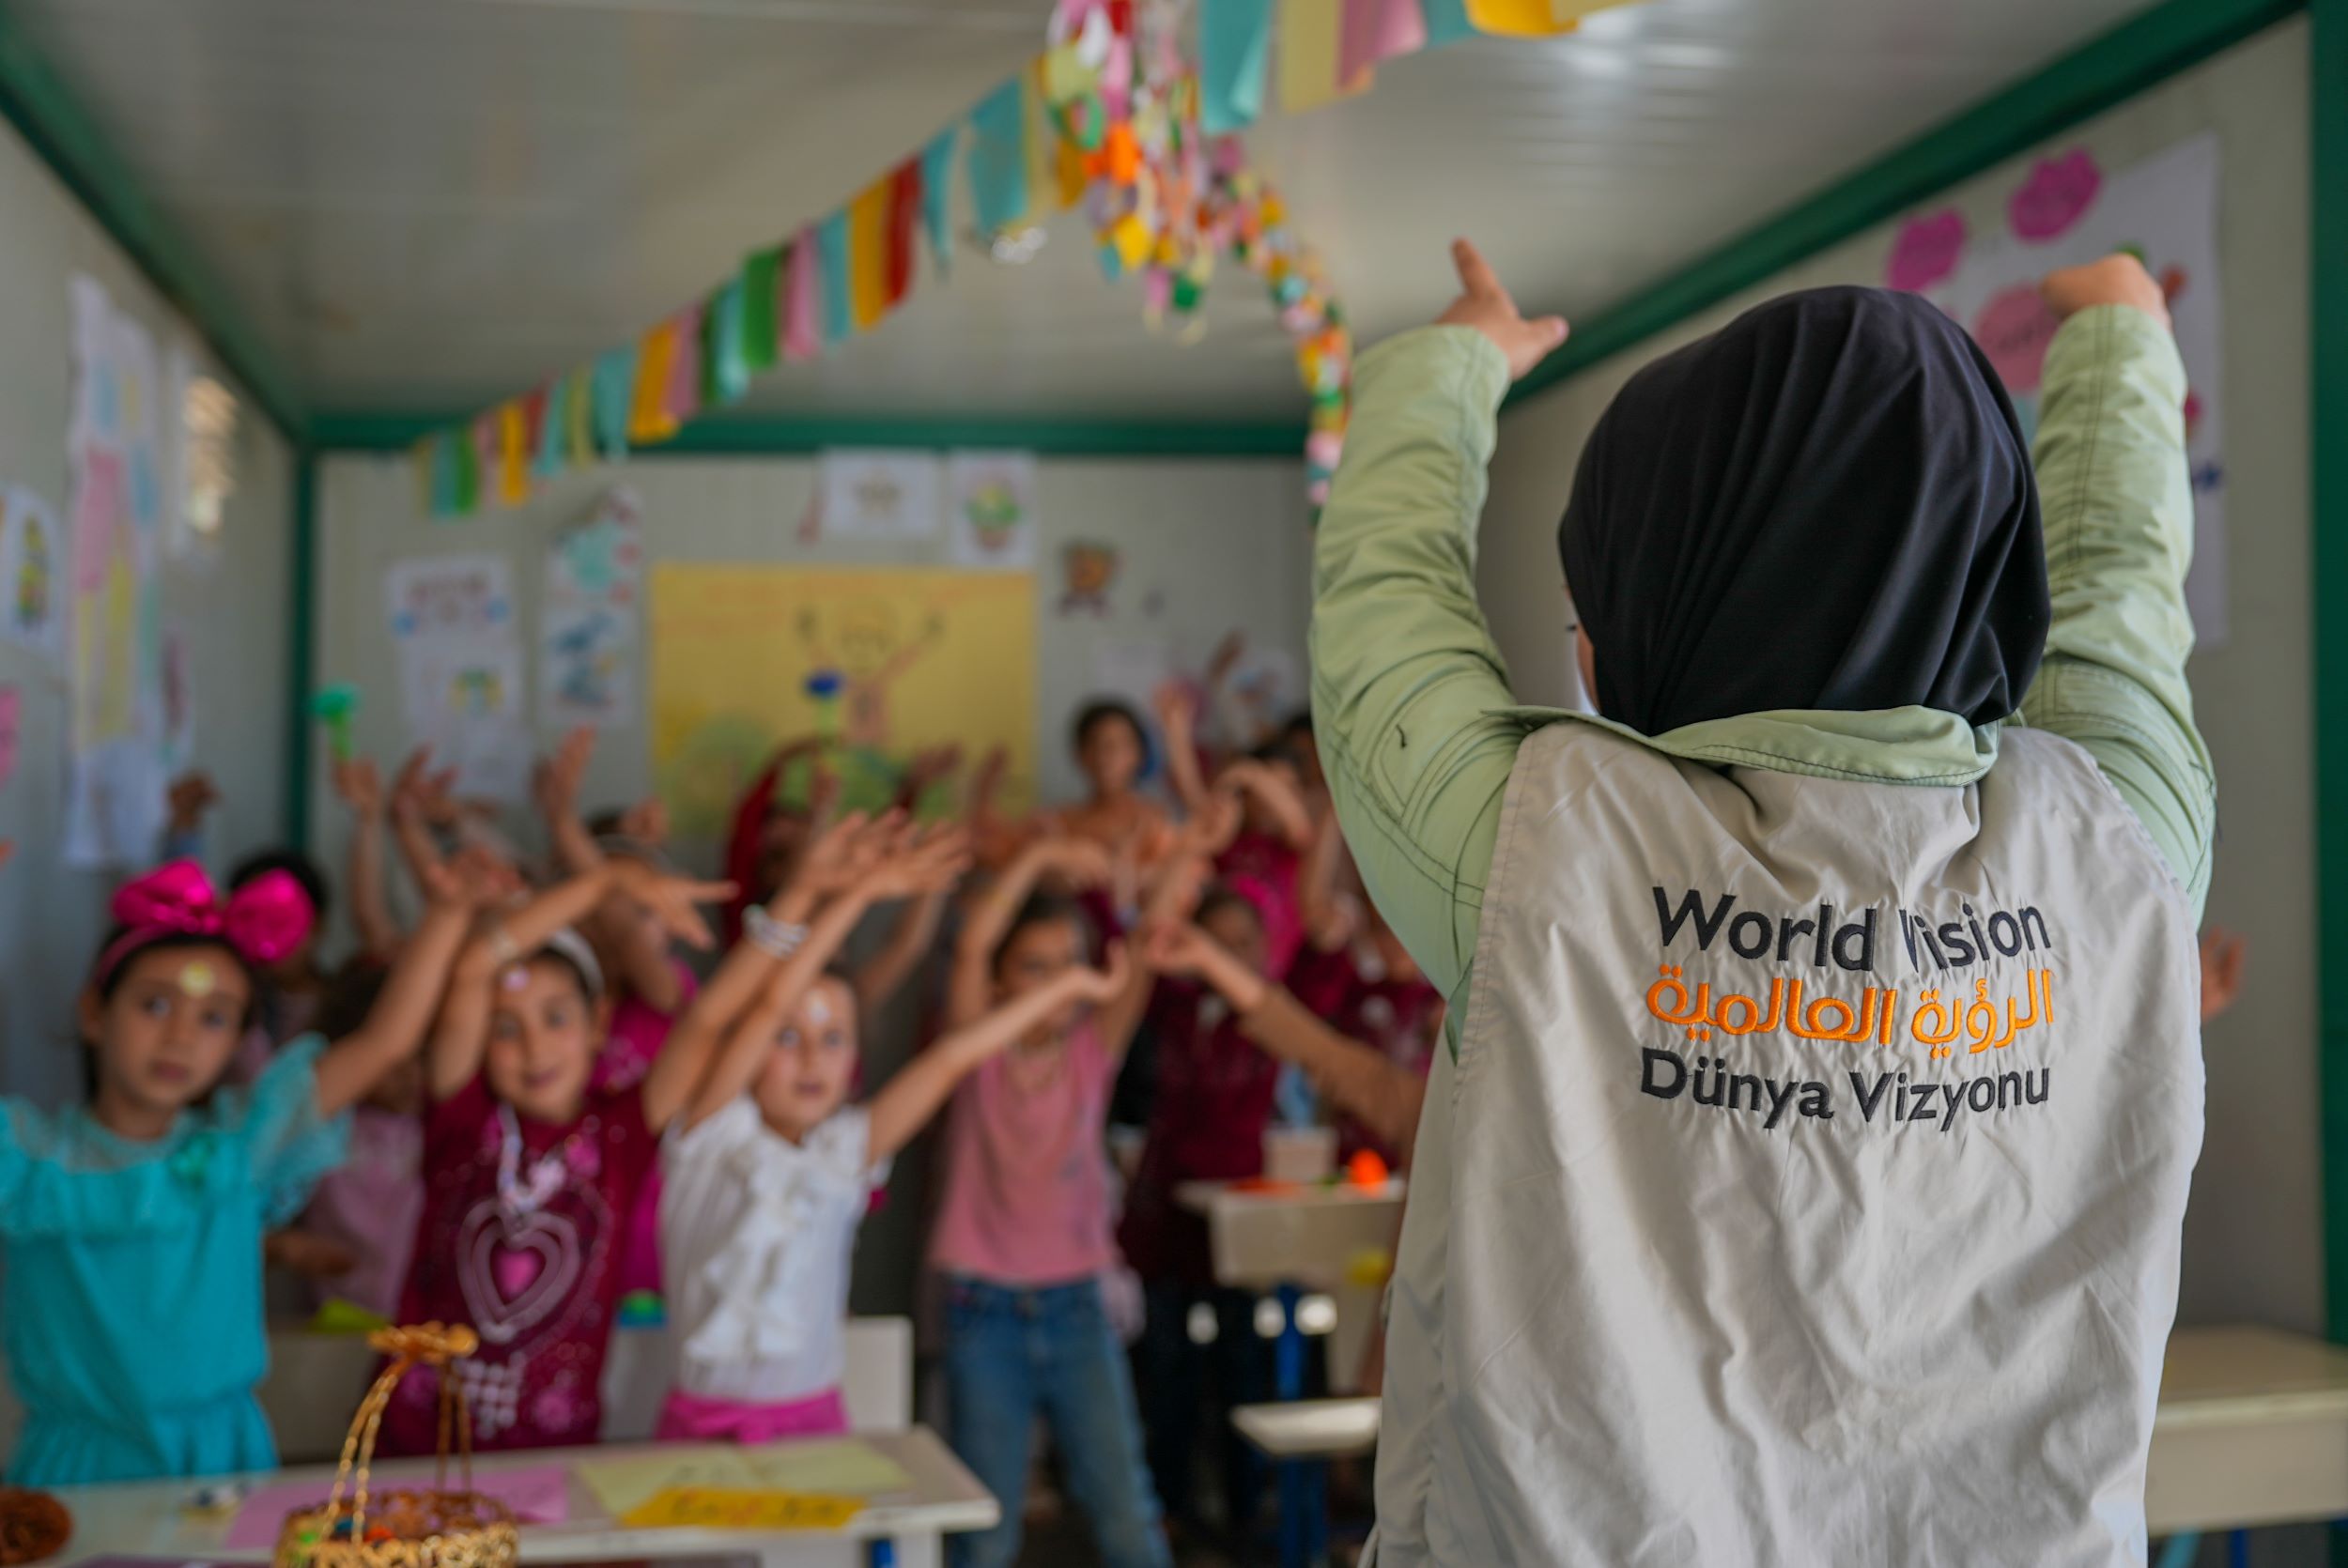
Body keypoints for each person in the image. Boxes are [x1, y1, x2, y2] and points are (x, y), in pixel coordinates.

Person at [1313, 241, 2213, 1563]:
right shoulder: (2120, 852)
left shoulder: (1538, 859)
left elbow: (1380, 622)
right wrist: (2124, 341)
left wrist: (1443, 376)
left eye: (1592, 603)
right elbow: (2121, 608)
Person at [0, 856, 480, 1484]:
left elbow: (381, 1044)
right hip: (76, 1471)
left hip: (223, 1465)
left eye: (213, 1017)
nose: (180, 1036)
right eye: (154, 1004)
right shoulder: (28, 1159)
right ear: (95, 1013)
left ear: (236, 1044)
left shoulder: (242, 1147)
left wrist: (447, 915)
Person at [658, 824, 1139, 1445]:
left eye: (834, 1040)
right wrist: (852, 897)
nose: (812, 1060)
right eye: (787, 1038)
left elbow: (951, 1059)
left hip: (816, 1428)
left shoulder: (845, 1152)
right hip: (699, 1434)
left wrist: (1069, 986)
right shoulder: (709, 1140)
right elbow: (769, 1001)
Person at [382, 855, 734, 1454]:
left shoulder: (621, 1133)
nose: (534, 1047)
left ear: (599, 1023)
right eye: (505, 1027)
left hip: (557, 1452)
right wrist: (604, 881)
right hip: (419, 1446)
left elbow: (704, 1022)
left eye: (555, 1017)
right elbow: (473, 967)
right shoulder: (462, 1121)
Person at [929, 835, 1173, 1568]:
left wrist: (1177, 860)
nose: (1057, 985)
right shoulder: (976, 1050)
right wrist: (1034, 859)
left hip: (1078, 1307)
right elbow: (970, 946)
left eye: (1070, 967)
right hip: (983, 1311)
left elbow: (1144, 951)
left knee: (1126, 1513)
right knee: (987, 1531)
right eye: (1034, 968)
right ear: (998, 982)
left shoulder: (1092, 1050)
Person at [1119, 886, 1281, 1545]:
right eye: (1214, 943)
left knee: (1246, 1371)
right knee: (1168, 1376)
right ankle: (1172, 1512)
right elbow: (1129, 951)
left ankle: (1249, 1515)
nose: (1227, 957)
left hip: (1239, 1228)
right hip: (1165, 1222)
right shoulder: (1172, 1009)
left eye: (1242, 944)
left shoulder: (1268, 1017)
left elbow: (1323, 976)